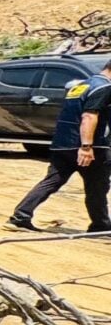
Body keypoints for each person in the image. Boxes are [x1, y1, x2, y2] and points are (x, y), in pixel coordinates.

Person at [8, 58, 111, 233]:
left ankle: (20, 217)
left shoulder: (81, 86)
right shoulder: (104, 88)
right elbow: (88, 116)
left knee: (52, 182)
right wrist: (86, 147)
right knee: (97, 186)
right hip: (90, 146)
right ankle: (100, 225)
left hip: (62, 144)